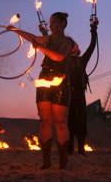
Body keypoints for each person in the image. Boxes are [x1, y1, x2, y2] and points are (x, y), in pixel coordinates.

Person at [7, 12, 80, 170]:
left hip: (60, 81)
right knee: (45, 121)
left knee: (60, 122)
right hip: (44, 78)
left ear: (62, 24)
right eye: (51, 23)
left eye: (55, 23)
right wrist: (16, 30)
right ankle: (46, 160)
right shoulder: (48, 39)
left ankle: (62, 161)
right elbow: (33, 38)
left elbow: (59, 57)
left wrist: (40, 47)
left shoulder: (68, 42)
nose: (52, 26)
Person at [68, 18, 99, 155]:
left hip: (79, 95)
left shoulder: (82, 61)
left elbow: (92, 46)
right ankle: (69, 149)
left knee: (81, 121)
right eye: (74, 45)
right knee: (68, 122)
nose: (77, 45)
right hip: (66, 95)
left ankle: (80, 149)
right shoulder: (63, 61)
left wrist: (93, 29)